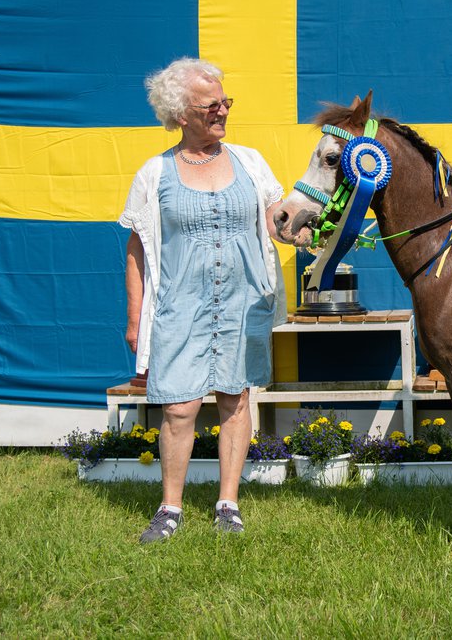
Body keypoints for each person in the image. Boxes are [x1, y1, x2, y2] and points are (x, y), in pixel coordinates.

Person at [120, 58, 286, 543]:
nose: (222, 111)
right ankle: (170, 507)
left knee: (236, 400)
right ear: (179, 114)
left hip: (241, 302)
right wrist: (135, 318)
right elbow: (137, 248)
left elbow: (276, 217)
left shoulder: (250, 161)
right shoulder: (154, 173)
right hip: (179, 304)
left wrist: (302, 228)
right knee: (179, 408)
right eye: (211, 105)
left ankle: (227, 503)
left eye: (225, 101)